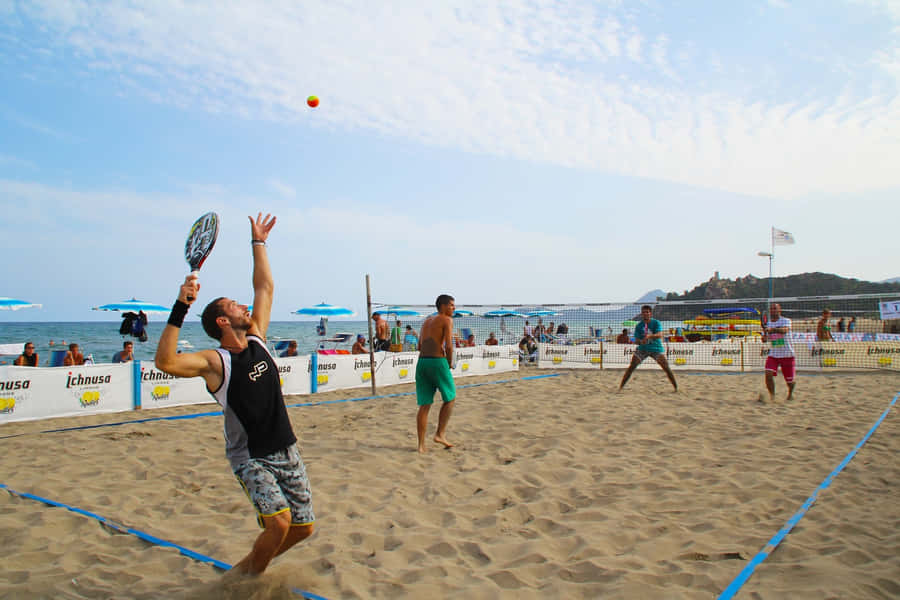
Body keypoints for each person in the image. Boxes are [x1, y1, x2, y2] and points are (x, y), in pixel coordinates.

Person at [154, 213, 314, 576]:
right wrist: (181, 305)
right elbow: (165, 362)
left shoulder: (257, 339)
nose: (244, 306)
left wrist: (259, 243)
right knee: (279, 523)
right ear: (223, 321)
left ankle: (239, 575)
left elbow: (265, 288)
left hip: (287, 448)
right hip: (251, 457)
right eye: (234, 305)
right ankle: (246, 586)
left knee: (303, 528)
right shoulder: (216, 362)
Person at [415, 294, 457, 453]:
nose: (454, 308)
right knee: (450, 398)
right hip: (437, 361)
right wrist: (449, 362)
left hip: (422, 363)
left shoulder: (426, 321)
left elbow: (419, 346)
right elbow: (449, 346)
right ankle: (440, 434)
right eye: (452, 305)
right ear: (443, 306)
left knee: (424, 405)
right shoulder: (447, 320)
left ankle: (421, 445)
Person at [619, 305, 677, 391]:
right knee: (632, 366)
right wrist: (640, 341)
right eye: (643, 312)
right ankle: (621, 387)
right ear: (641, 314)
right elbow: (636, 340)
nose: (645, 314)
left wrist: (650, 336)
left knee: (666, 367)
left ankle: (676, 388)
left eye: (647, 312)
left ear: (650, 313)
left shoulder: (656, 323)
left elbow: (660, 334)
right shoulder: (639, 325)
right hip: (643, 349)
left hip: (655, 348)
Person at [762, 303, 796, 402]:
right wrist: (764, 338)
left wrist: (772, 330)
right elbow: (766, 338)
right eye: (771, 309)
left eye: (775, 309)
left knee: (790, 382)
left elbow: (785, 330)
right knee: (768, 374)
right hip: (774, 354)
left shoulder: (786, 321)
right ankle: (772, 396)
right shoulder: (768, 324)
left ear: (779, 310)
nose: (773, 310)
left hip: (787, 354)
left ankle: (790, 393)